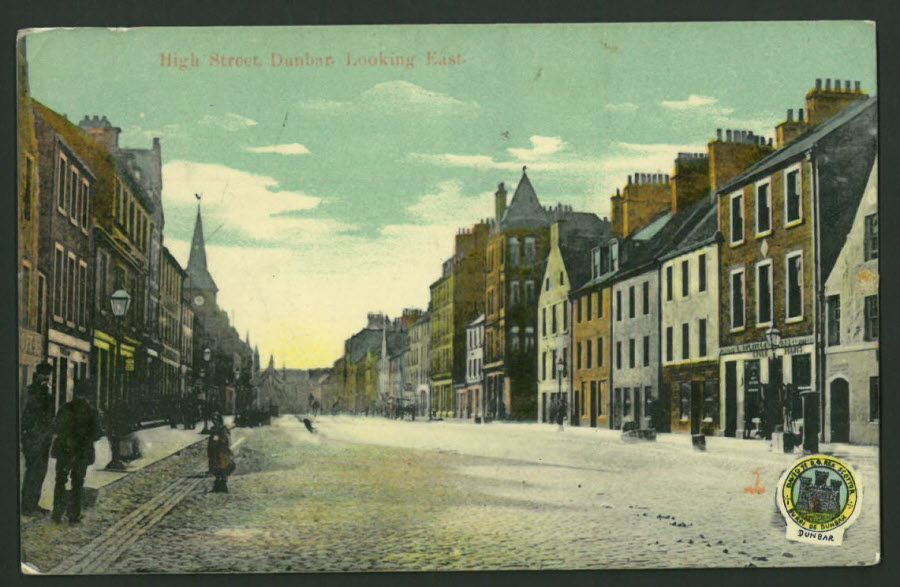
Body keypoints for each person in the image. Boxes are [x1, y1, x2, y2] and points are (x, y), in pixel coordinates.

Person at [50, 379, 101, 524]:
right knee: (77, 483)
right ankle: (74, 516)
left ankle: (57, 513)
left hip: (65, 451)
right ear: (88, 394)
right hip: (82, 453)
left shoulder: (65, 408)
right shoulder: (91, 411)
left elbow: (56, 427)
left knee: (60, 481)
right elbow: (97, 433)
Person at [21, 362, 54, 516]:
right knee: (33, 471)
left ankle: (34, 503)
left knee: (40, 471)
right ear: (37, 374)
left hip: (45, 438)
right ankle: (27, 506)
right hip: (33, 438)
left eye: (48, 375)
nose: (46, 378)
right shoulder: (31, 391)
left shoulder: (46, 392)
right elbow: (27, 413)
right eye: (44, 374)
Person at [207, 413, 234, 493]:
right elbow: (210, 440)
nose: (214, 421)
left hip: (222, 451)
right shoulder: (212, 429)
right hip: (214, 451)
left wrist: (220, 441)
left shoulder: (223, 429)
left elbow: (226, 439)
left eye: (216, 419)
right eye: (213, 420)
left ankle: (223, 485)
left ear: (219, 420)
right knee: (215, 467)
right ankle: (217, 485)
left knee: (223, 467)